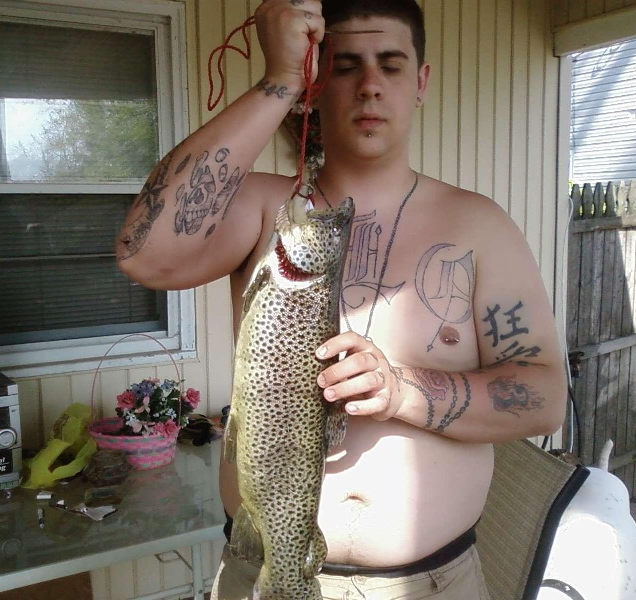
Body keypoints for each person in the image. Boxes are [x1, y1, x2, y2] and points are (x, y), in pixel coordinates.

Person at [116, 0, 567, 598]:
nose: (371, 86)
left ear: (422, 82)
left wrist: (403, 391)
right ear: (315, 82)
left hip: (433, 582)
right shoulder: (263, 210)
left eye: (391, 64)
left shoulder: (481, 225)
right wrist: (277, 81)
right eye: (346, 65)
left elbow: (543, 399)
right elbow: (144, 253)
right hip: (262, 571)